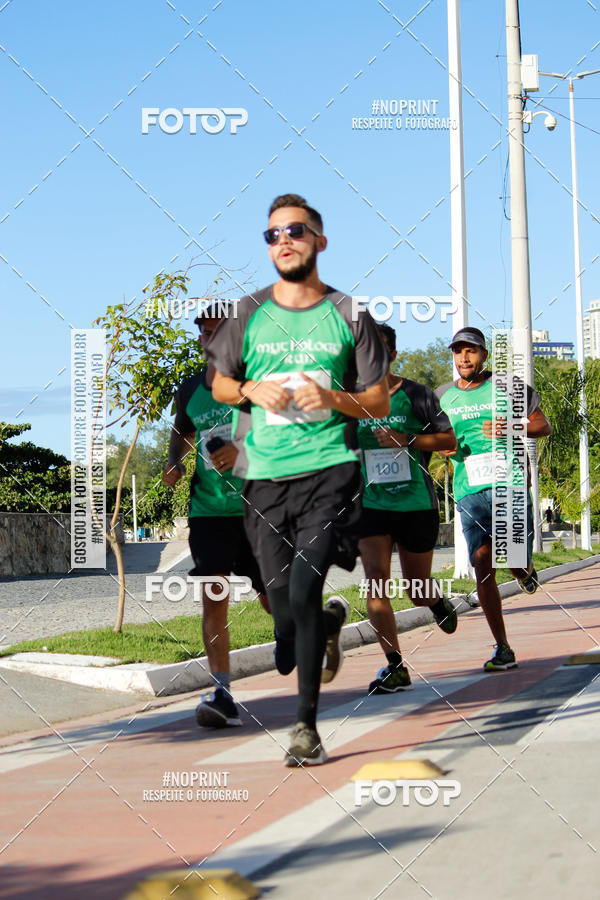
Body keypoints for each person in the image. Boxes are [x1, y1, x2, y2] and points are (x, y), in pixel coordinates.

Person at [207, 193, 390, 766]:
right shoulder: (245, 314)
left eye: (296, 231)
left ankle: (306, 727)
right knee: (284, 609)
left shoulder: (349, 313)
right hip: (262, 478)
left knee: (305, 589)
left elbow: (379, 401)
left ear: (320, 241)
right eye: (273, 235)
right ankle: (324, 624)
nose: (284, 240)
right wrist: (246, 390)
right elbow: (218, 384)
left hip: (328, 472)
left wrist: (333, 396)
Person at [162, 303, 269, 728]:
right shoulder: (191, 389)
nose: (211, 340)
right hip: (208, 511)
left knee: (271, 600)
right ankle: (223, 693)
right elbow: (181, 430)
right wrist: (175, 461)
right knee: (213, 596)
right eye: (205, 333)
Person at [436, 327, 552, 671]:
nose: (463, 358)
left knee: (513, 559)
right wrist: (443, 445)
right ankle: (502, 648)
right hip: (469, 490)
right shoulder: (442, 396)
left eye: (470, 351)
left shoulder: (509, 387)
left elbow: (542, 425)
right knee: (482, 564)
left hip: (509, 485)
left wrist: (511, 428)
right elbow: (436, 437)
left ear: (484, 355)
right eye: (457, 352)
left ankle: (525, 571)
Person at [358, 324, 458, 694]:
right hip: (370, 505)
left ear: (393, 355)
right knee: (375, 583)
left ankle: (434, 601)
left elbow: (448, 440)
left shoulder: (417, 394)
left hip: (416, 504)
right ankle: (395, 665)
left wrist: (409, 439)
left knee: (416, 589)